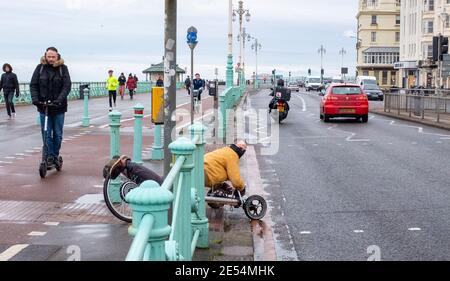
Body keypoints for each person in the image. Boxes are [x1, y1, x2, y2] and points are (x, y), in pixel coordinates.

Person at [30, 47, 71, 167]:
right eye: (49, 56)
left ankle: (54, 155)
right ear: (45, 56)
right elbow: (33, 85)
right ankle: (49, 157)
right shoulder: (40, 68)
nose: (51, 59)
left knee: (57, 134)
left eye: (53, 57)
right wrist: (35, 100)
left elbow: (67, 86)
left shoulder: (63, 69)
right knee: (46, 133)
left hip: (59, 107)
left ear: (57, 56)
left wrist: (59, 100)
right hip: (44, 107)